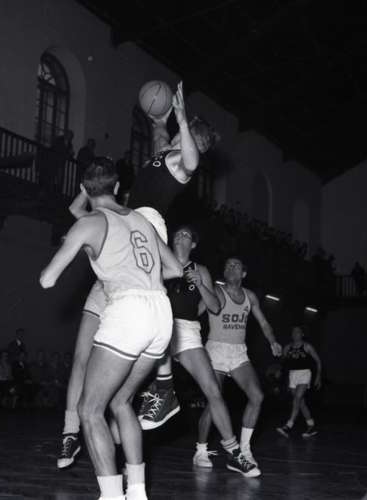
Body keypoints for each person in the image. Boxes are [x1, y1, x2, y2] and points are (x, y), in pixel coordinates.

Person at [58, 81, 218, 469]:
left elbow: (192, 162)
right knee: (91, 348)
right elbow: (161, 134)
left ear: (191, 137)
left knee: (148, 303)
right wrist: (158, 118)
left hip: (147, 228)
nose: (174, 132)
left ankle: (163, 386)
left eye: (182, 131)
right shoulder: (164, 154)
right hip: (126, 227)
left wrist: (181, 117)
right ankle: (73, 431)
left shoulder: (181, 163)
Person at [40, 157, 183, 500]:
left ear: (84, 190)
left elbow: (47, 280)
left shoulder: (88, 223)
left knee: (90, 410)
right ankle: (137, 492)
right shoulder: (141, 218)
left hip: (128, 312)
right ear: (117, 187)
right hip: (161, 313)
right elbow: (176, 269)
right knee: (121, 401)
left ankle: (112, 496)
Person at [141, 227, 262, 477]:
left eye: (187, 235)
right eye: (178, 234)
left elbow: (215, 307)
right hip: (157, 325)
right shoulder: (157, 261)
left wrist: (201, 286)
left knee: (213, 391)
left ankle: (234, 453)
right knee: (136, 391)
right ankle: (129, 455)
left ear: (193, 244)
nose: (181, 236)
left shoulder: (202, 270)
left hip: (186, 330)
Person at [195, 257, 282, 469]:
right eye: (227, 265)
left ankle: (244, 450)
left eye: (236, 265)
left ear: (243, 273)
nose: (231, 268)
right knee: (213, 402)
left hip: (238, 352)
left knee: (257, 396)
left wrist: (273, 341)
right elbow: (193, 313)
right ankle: (201, 451)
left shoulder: (250, 296)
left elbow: (264, 323)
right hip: (216, 350)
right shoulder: (215, 291)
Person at [277, 326, 322, 438]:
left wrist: (318, 376)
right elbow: (283, 362)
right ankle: (311, 425)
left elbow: (318, 361)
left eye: (297, 332)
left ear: (302, 334)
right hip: (293, 375)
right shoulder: (287, 347)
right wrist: (279, 369)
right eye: (293, 332)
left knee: (297, 398)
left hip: (305, 374)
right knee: (301, 403)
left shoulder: (307, 346)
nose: (295, 334)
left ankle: (288, 426)